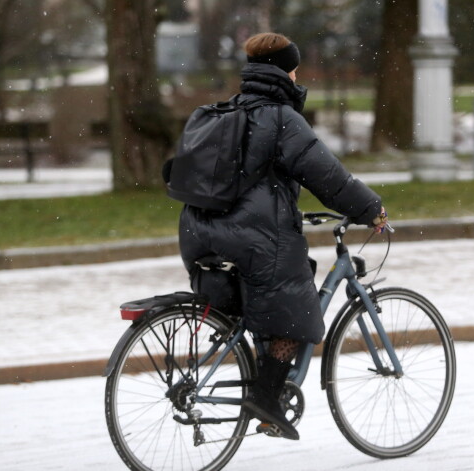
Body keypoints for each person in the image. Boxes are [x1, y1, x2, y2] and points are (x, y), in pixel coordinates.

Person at [178, 32, 387, 440]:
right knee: (297, 306)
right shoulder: (280, 117)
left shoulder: (226, 111)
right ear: (285, 71)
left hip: (200, 231)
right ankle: (266, 399)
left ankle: (259, 375)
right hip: (252, 238)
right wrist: (369, 209)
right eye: (294, 67)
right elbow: (329, 177)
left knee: (269, 298)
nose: (297, 75)